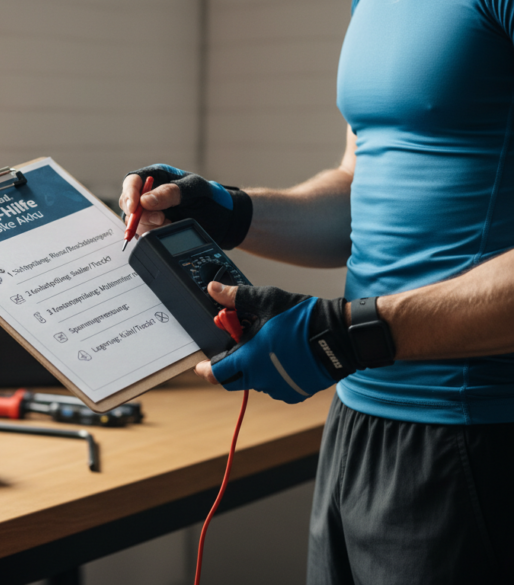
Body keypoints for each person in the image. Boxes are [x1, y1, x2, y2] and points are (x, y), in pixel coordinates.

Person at [118, 1, 514, 582]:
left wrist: (351, 335)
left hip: (477, 430)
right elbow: (360, 194)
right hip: (357, 415)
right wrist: (231, 212)